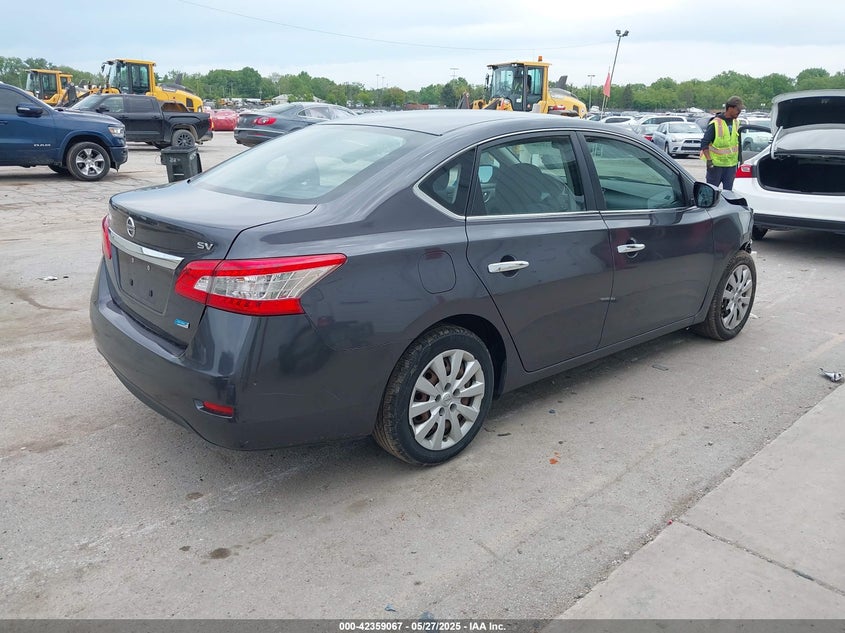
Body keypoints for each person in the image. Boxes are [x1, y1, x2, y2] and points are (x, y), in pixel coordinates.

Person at [700, 95, 744, 190]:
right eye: (738, 109)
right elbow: (704, 143)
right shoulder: (716, 123)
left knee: (728, 193)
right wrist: (709, 161)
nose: (739, 112)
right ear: (730, 108)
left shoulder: (736, 122)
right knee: (711, 191)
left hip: (731, 166)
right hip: (716, 166)